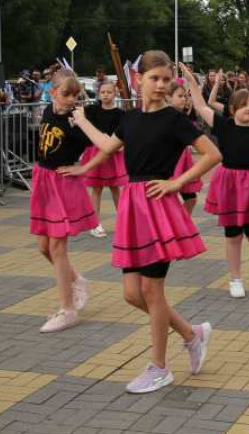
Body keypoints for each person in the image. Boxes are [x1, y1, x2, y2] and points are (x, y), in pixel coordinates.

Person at [73, 51, 220, 394]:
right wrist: (81, 121)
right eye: (154, 78)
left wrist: (177, 183)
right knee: (131, 294)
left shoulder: (174, 120)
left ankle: (159, 367)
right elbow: (105, 148)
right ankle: (190, 333)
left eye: (166, 80)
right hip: (132, 210)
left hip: (158, 210)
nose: (161, 85)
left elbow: (213, 155)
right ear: (138, 80)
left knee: (153, 292)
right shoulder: (129, 119)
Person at [185, 65, 249, 298]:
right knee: (232, 234)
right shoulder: (224, 125)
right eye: (243, 106)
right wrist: (192, 81)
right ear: (232, 109)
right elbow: (201, 106)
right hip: (230, 184)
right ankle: (235, 279)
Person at [30, 71, 107, 333]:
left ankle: (67, 310)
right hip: (44, 179)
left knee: (57, 247)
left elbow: (108, 147)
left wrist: (84, 168)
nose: (71, 99)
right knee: (43, 247)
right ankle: (77, 280)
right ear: (52, 93)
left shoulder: (77, 120)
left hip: (63, 183)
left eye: (76, 95)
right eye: (65, 94)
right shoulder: (49, 111)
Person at [81, 80, 127, 238]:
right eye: (103, 93)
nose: (106, 95)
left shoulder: (121, 114)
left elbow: (124, 135)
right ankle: (95, 223)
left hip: (113, 153)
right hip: (95, 153)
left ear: (115, 94)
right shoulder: (92, 109)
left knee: (115, 188)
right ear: (99, 94)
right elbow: (78, 116)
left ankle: (123, 221)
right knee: (97, 188)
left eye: (109, 92)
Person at [169, 81, 205, 215]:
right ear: (168, 97)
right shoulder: (168, 117)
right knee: (170, 198)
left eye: (185, 96)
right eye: (180, 96)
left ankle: (181, 225)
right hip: (172, 161)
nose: (184, 99)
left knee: (191, 199)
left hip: (183, 160)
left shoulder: (182, 116)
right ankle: (177, 226)